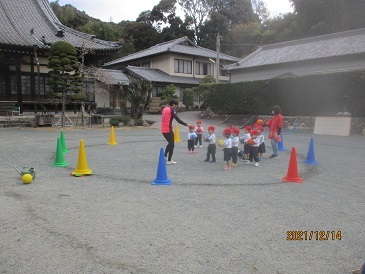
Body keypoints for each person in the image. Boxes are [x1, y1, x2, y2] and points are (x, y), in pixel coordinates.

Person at [161, 99, 189, 165]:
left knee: (170, 143)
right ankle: (169, 160)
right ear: (173, 104)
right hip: (168, 130)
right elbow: (178, 120)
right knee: (172, 144)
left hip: (163, 129)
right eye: (176, 105)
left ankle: (165, 156)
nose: (176, 107)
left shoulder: (165, 108)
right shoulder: (171, 110)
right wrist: (186, 124)